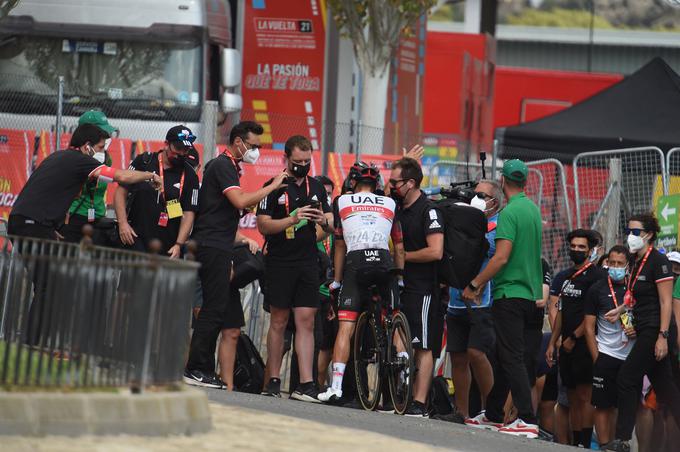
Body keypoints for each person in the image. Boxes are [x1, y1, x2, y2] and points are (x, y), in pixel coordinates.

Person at [8, 123, 161, 346]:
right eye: (100, 147)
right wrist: (150, 175)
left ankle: (37, 342)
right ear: (87, 146)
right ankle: (33, 344)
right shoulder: (81, 161)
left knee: (50, 283)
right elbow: (121, 177)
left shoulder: (58, 157)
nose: (102, 152)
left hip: (25, 222)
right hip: (33, 224)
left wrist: (54, 228)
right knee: (50, 285)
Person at [184, 121, 287, 390]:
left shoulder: (231, 167)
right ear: (238, 142)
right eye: (253, 146)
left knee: (215, 309)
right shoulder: (222, 165)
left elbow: (239, 205)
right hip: (211, 245)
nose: (255, 151)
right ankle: (196, 368)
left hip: (219, 245)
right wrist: (273, 186)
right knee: (213, 309)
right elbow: (240, 201)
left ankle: (201, 368)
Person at [462, 159, 542, 438]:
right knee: (505, 355)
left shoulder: (509, 214)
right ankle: (495, 413)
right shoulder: (532, 209)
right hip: (530, 296)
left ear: (503, 180)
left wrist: (475, 283)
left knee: (511, 358)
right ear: (526, 181)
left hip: (509, 292)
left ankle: (528, 419)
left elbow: (501, 257)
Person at [257, 135, 334, 402]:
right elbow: (264, 226)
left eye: (307, 161)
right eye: (297, 161)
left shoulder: (317, 187)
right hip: (279, 261)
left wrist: (323, 220)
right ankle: (274, 379)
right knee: (278, 321)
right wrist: (292, 219)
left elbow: (332, 225)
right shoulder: (274, 185)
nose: (303, 165)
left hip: (307, 262)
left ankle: (306, 384)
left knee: (306, 321)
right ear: (286, 159)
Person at [318, 165, 404, 403]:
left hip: (356, 263)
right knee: (393, 317)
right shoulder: (389, 203)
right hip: (384, 263)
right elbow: (398, 246)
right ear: (377, 184)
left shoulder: (342, 201)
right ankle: (404, 366)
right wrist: (400, 277)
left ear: (353, 182)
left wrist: (336, 280)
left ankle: (336, 387)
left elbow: (338, 244)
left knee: (346, 326)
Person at [604, 214, 680, 452]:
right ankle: (623, 439)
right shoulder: (636, 261)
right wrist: (619, 310)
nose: (631, 236)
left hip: (656, 328)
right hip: (643, 325)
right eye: (629, 230)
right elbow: (635, 297)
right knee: (666, 387)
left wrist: (663, 337)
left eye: (635, 232)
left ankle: (623, 439)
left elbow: (666, 302)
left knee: (627, 378)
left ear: (648, 235)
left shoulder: (659, 261)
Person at [389, 157, 445, 417]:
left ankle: (419, 402)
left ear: (410, 184)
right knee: (397, 341)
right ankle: (397, 395)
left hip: (423, 288)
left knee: (422, 344)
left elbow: (436, 251)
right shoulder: (396, 207)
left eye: (395, 182)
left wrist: (403, 257)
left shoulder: (429, 210)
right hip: (399, 284)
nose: (391, 186)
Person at [545, 229, 606, 448]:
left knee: (585, 394)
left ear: (590, 251)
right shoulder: (565, 276)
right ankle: (576, 440)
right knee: (571, 396)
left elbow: (593, 314)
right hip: (566, 345)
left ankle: (584, 441)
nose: (576, 250)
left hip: (584, 343)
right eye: (573, 246)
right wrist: (554, 341)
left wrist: (573, 337)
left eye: (581, 247)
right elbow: (560, 311)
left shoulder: (597, 276)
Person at [447, 180, 500, 419]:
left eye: (482, 195)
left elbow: (488, 251)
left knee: (476, 353)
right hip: (455, 297)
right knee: (457, 356)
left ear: (494, 202)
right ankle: (462, 412)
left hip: (481, 299)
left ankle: (492, 411)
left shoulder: (497, 225)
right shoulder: (460, 216)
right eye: (473, 193)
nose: (476, 198)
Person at [114, 126, 200, 257]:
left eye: (186, 150)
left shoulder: (190, 175)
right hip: (135, 237)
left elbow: (188, 214)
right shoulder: (144, 161)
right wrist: (123, 224)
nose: (181, 153)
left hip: (167, 244)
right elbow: (121, 192)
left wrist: (178, 244)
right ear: (166, 144)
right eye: (178, 148)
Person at [583, 245, 636, 448]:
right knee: (602, 405)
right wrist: (597, 357)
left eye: (619, 264)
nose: (614, 267)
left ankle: (617, 443)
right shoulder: (597, 289)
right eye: (611, 263)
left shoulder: (635, 288)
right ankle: (605, 445)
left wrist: (637, 329)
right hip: (605, 353)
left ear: (628, 266)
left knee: (620, 406)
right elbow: (589, 328)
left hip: (630, 356)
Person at [61, 111, 118, 244]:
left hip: (97, 216)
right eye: (103, 133)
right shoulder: (72, 157)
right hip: (75, 215)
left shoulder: (106, 158)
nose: (108, 136)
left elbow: (110, 179)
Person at [314, 175, 338, 388]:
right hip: (315, 291)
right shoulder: (312, 221)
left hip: (332, 292)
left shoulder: (334, 223)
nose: (326, 198)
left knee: (329, 346)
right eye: (323, 194)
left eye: (329, 194)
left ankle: (322, 388)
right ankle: (314, 385)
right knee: (318, 345)